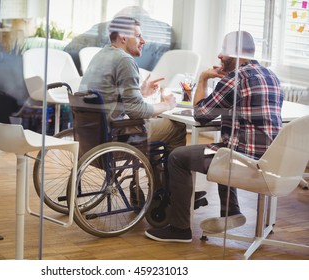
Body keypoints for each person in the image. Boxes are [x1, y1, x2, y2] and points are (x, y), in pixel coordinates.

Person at [145, 31, 283, 242]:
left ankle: (179, 228)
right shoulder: (271, 75)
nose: (219, 56)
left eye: (224, 52)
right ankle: (231, 212)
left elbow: (200, 114)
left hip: (242, 160)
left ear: (236, 55)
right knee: (222, 146)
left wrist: (203, 78)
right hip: (270, 160)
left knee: (178, 157)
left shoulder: (234, 80)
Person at [79, 16, 187, 154]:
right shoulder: (124, 59)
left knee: (154, 127)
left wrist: (140, 92)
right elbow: (136, 111)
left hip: (91, 134)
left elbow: (107, 97)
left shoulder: (101, 55)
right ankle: (170, 175)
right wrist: (167, 104)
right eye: (138, 36)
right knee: (176, 128)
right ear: (123, 37)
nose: (143, 41)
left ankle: (154, 173)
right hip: (114, 135)